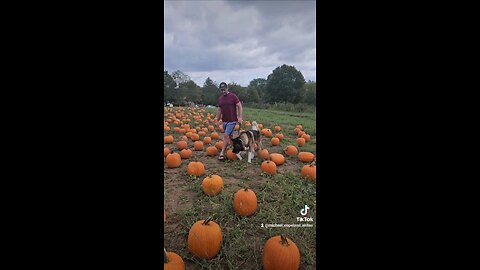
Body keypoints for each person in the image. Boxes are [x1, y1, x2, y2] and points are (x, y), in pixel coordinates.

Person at [216, 82, 243, 160]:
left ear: (227, 88)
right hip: (225, 121)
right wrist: (217, 120)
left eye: (224, 89)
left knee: (226, 136)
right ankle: (236, 149)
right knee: (230, 137)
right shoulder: (220, 98)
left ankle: (222, 153)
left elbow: (239, 106)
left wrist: (240, 117)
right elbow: (219, 110)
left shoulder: (233, 96)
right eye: (221, 90)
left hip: (232, 120)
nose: (223, 91)